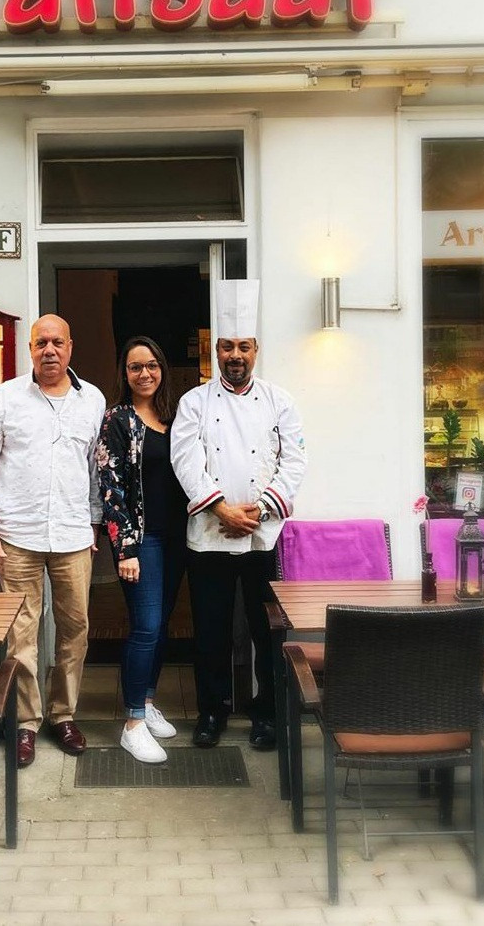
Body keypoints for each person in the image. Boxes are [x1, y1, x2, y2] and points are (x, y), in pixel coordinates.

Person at [171, 280, 307, 750]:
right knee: (210, 632)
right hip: (209, 536)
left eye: (243, 347)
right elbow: (185, 461)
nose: (235, 355)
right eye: (227, 346)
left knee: (266, 630)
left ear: (255, 350)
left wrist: (261, 508)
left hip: (261, 537)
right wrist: (222, 509)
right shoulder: (193, 402)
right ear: (216, 351)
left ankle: (265, 712)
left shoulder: (279, 400)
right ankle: (211, 712)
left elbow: (294, 462)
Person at [0, 314, 106, 768]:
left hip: (72, 533)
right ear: (29, 349)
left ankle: (63, 715)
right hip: (16, 534)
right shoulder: (4, 398)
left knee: (75, 628)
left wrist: (92, 523)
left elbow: (94, 468)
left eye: (57, 342)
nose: (49, 350)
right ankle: (26, 722)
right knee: (21, 633)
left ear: (70, 347)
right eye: (40, 343)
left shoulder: (92, 400)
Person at [97, 336, 188, 764]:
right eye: (135, 367)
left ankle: (148, 701)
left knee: (162, 624)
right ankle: (132, 723)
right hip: (142, 540)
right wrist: (125, 548)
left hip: (178, 537)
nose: (145, 373)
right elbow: (110, 487)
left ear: (162, 368)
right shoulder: (118, 420)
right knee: (146, 626)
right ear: (125, 373)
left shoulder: (176, 417)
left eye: (151, 365)